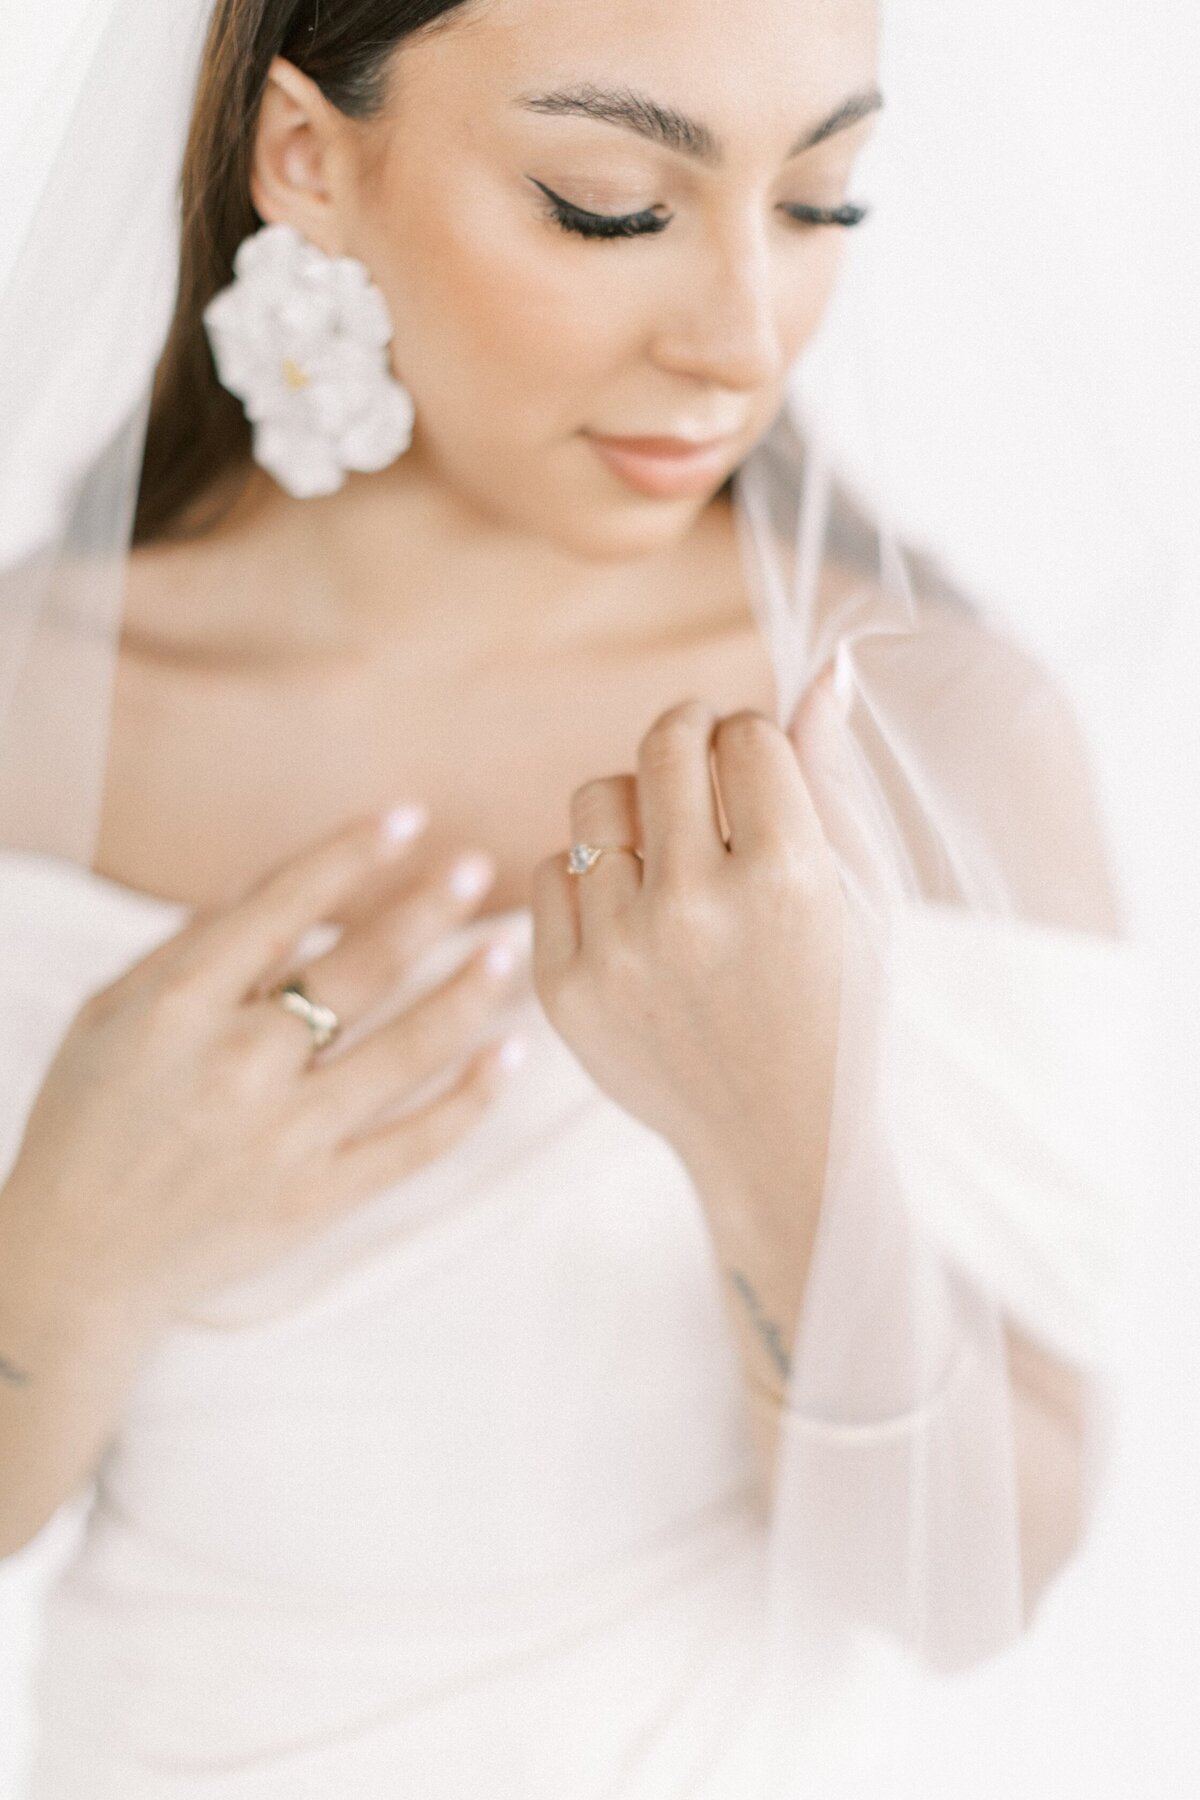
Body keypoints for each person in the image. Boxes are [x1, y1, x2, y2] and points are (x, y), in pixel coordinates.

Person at [0, 0, 1136, 1793]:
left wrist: (781, 1138)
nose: (742, 340)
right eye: (612, 206)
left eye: (821, 201)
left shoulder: (925, 737)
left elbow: (969, 1594)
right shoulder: (26, 713)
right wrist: (66, 1246)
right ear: (308, 159)